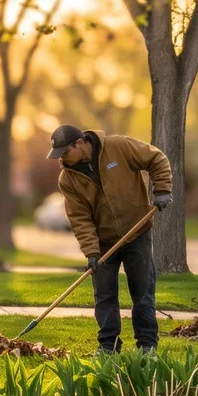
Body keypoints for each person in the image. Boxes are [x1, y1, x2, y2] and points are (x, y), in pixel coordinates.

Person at [47, 124, 173, 354]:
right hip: (103, 242)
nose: (62, 159)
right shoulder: (68, 179)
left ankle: (147, 345)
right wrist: (91, 252)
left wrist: (162, 189)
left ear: (80, 143)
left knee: (143, 292)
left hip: (137, 232)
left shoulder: (119, 147)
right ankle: (108, 345)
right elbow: (79, 218)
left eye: (65, 152)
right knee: (104, 295)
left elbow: (157, 158)